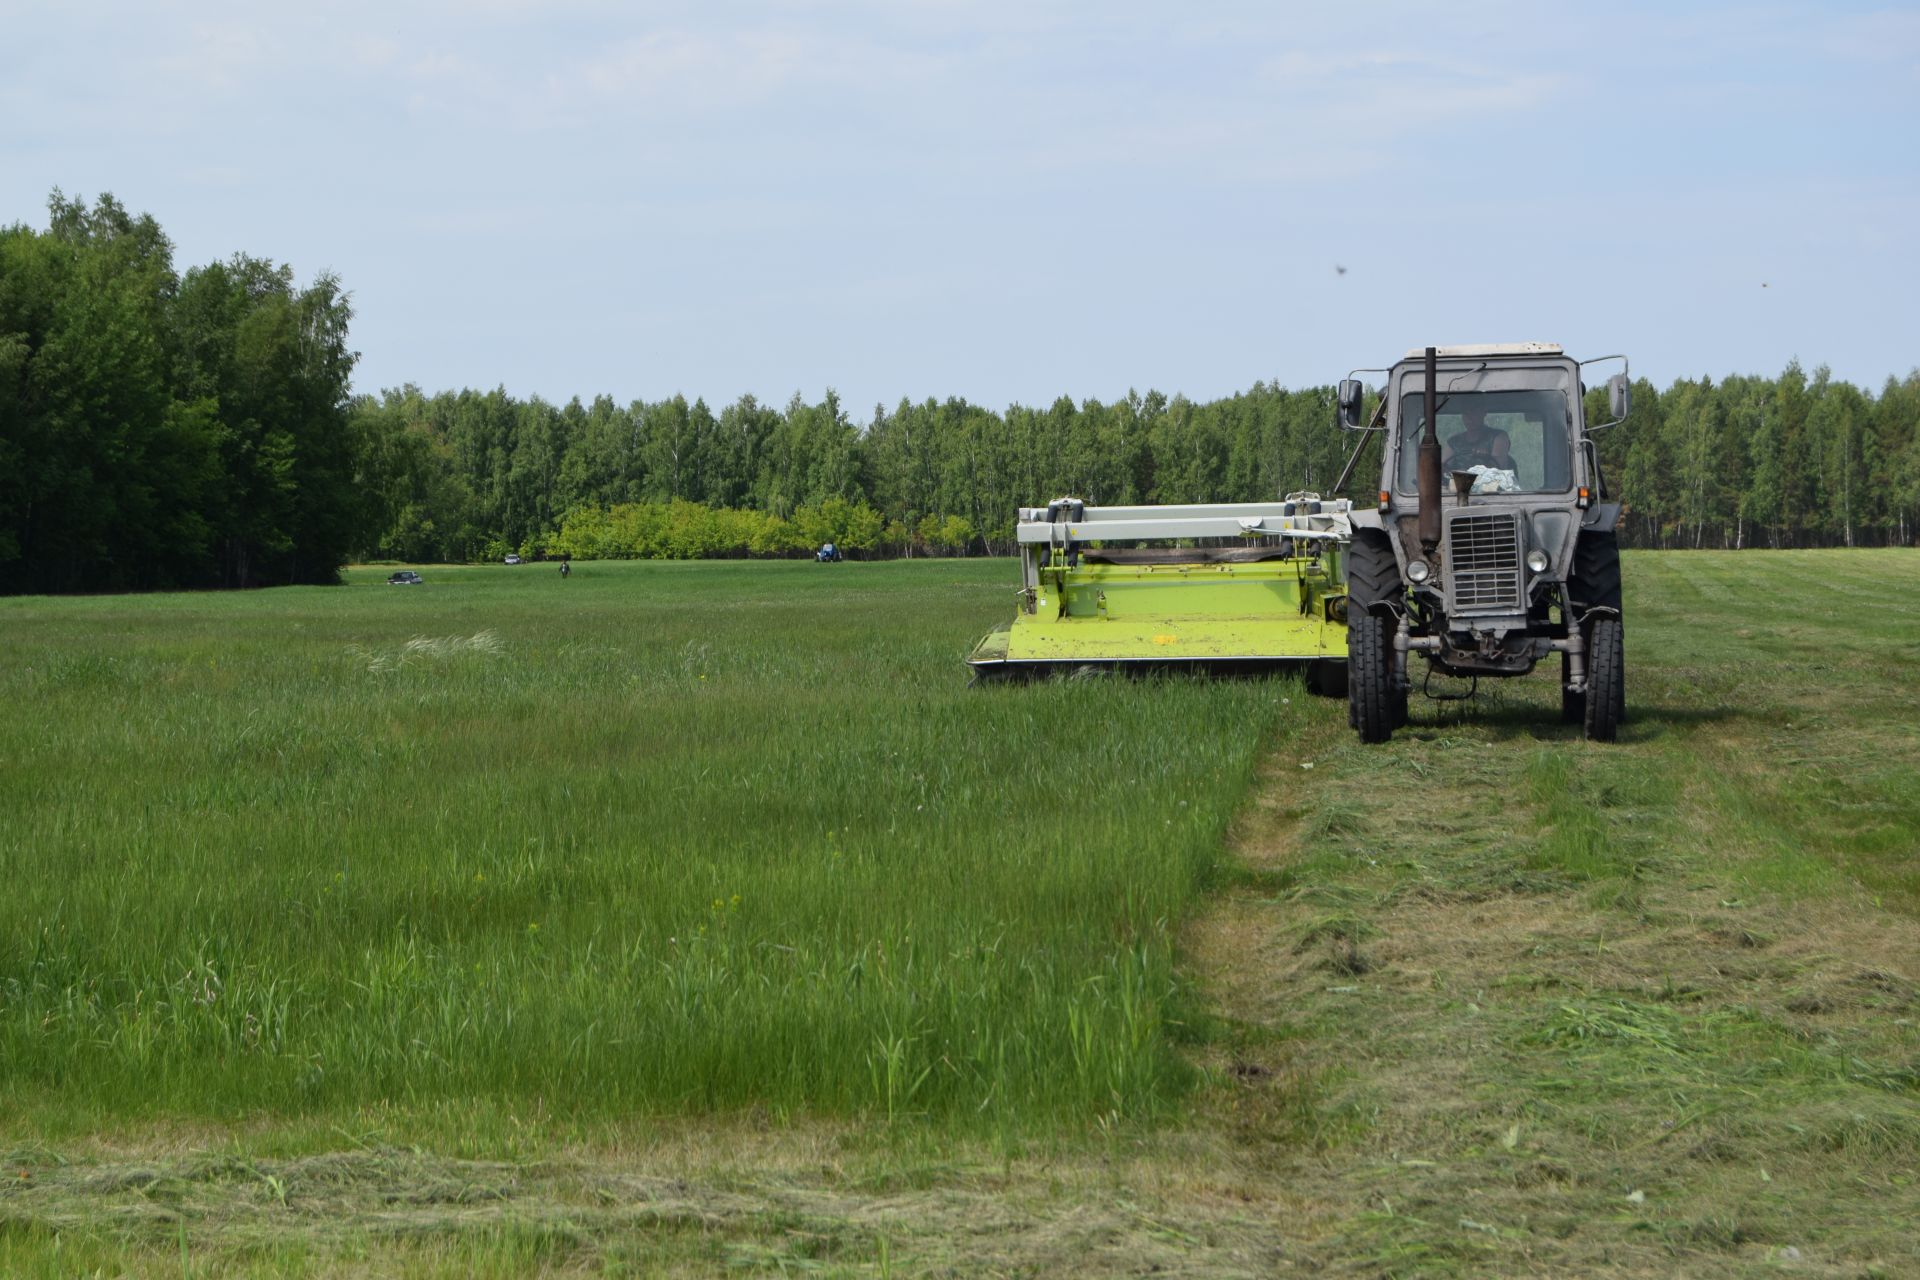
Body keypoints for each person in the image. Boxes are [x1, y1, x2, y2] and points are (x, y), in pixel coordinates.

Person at [1442, 408, 1512, 473]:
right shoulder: (1454, 442)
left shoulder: (1499, 437)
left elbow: (1499, 468)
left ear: (1483, 413)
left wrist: (1486, 458)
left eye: (1473, 412)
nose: (1469, 418)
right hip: (1457, 485)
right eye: (1466, 413)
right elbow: (1443, 467)